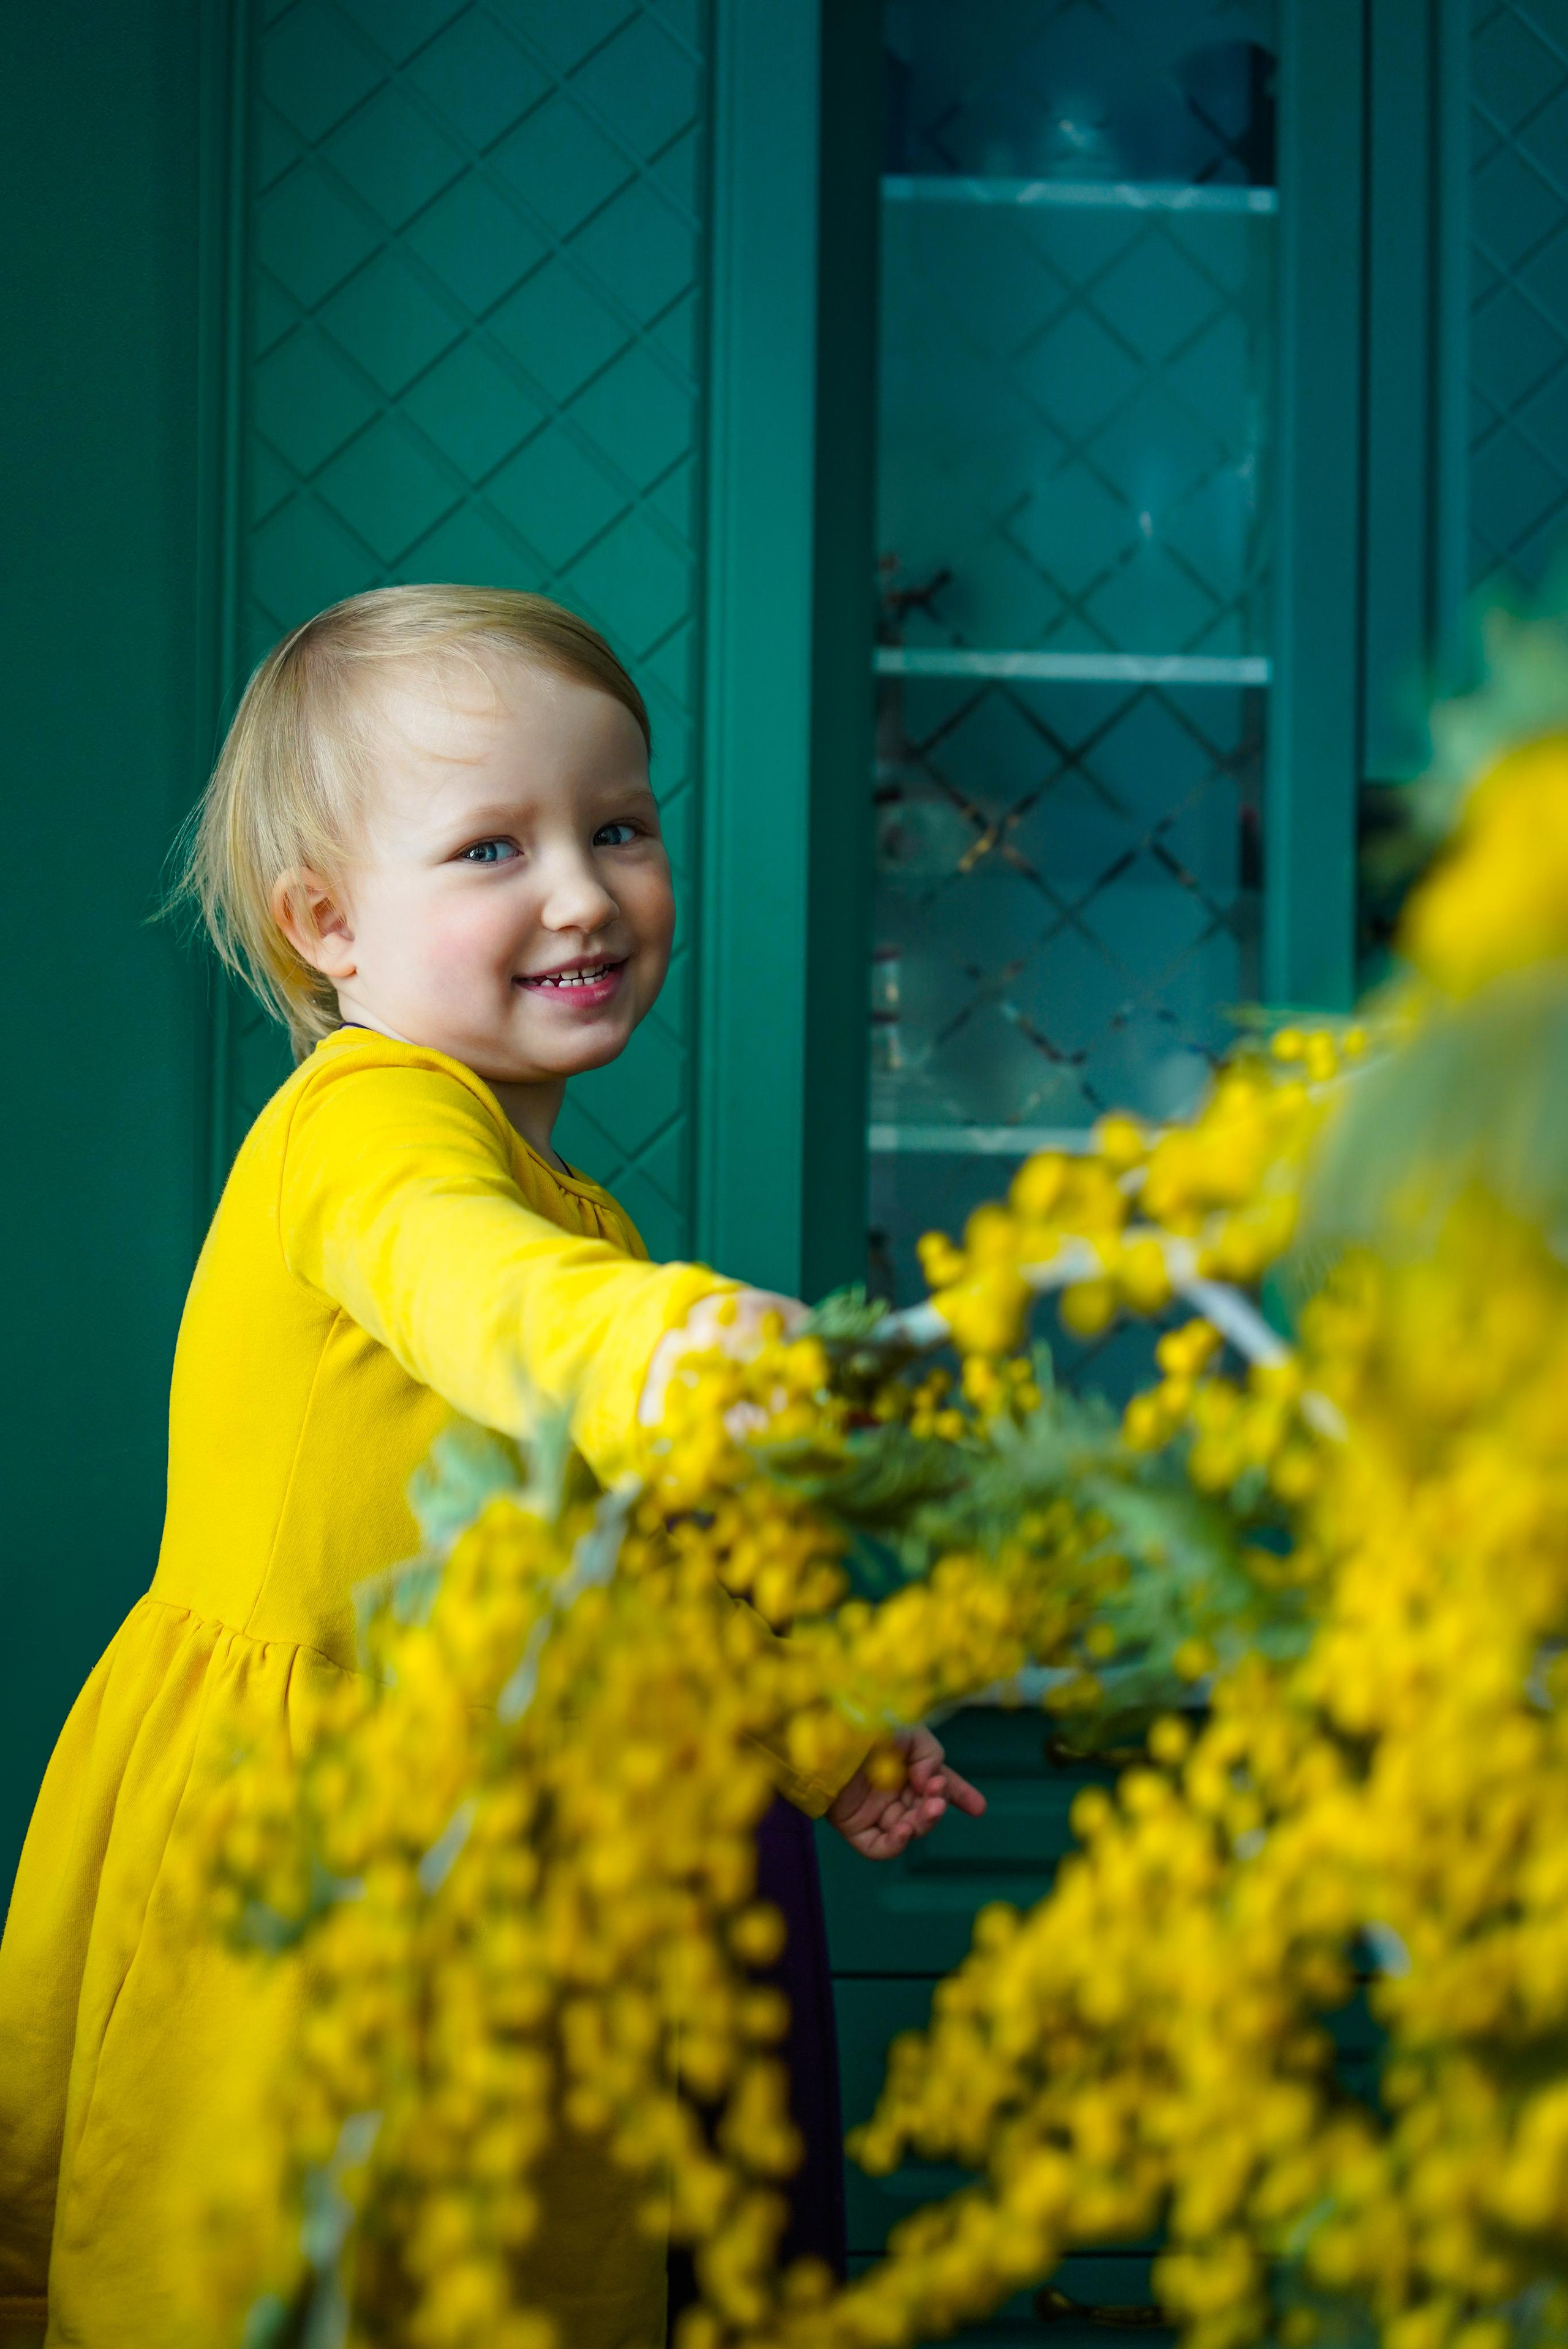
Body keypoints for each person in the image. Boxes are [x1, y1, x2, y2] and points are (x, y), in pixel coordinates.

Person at [0, 586, 984, 2349]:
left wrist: (815, 1729)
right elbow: (477, 1289)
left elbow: (637, 1581)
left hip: (513, 1870)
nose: (582, 890)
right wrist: (661, 1346)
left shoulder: (577, 1217)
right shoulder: (368, 1127)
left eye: (617, 825)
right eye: (488, 848)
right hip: (323, 1863)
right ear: (330, 930)